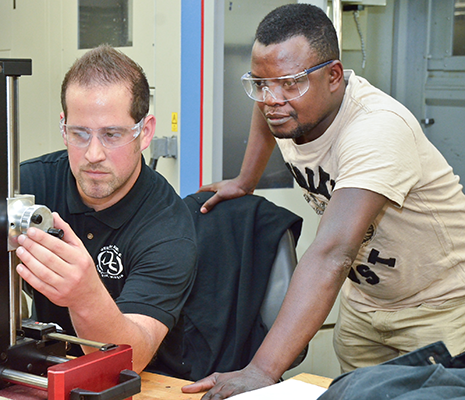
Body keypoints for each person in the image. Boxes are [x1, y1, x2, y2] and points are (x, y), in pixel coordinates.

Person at [183, 3, 465, 398]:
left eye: (290, 83)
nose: (271, 99)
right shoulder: (285, 106)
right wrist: (246, 180)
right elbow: (264, 111)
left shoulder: (376, 129)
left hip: (441, 307)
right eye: (262, 83)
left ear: (334, 75)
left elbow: (332, 253)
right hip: (365, 302)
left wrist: (262, 370)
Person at [0, 45, 197, 374]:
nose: (93, 154)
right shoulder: (27, 184)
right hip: (38, 371)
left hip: (145, 387)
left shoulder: (168, 229)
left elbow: (133, 358)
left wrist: (85, 296)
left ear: (143, 132)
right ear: (63, 126)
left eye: (112, 134)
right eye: (79, 134)